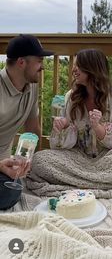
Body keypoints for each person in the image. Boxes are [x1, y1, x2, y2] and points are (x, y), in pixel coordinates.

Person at [26, 49, 112, 196]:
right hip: (78, 160)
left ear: (92, 68)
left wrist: (99, 128)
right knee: (39, 161)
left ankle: (83, 182)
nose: (73, 69)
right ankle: (103, 183)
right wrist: (63, 128)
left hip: (110, 160)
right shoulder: (71, 97)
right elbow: (60, 148)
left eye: (78, 66)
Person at [0, 34, 53, 210]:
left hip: (5, 166)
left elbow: (32, 128)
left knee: (47, 169)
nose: (42, 66)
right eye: (39, 60)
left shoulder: (32, 88)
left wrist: (27, 160)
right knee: (9, 193)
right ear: (21, 62)